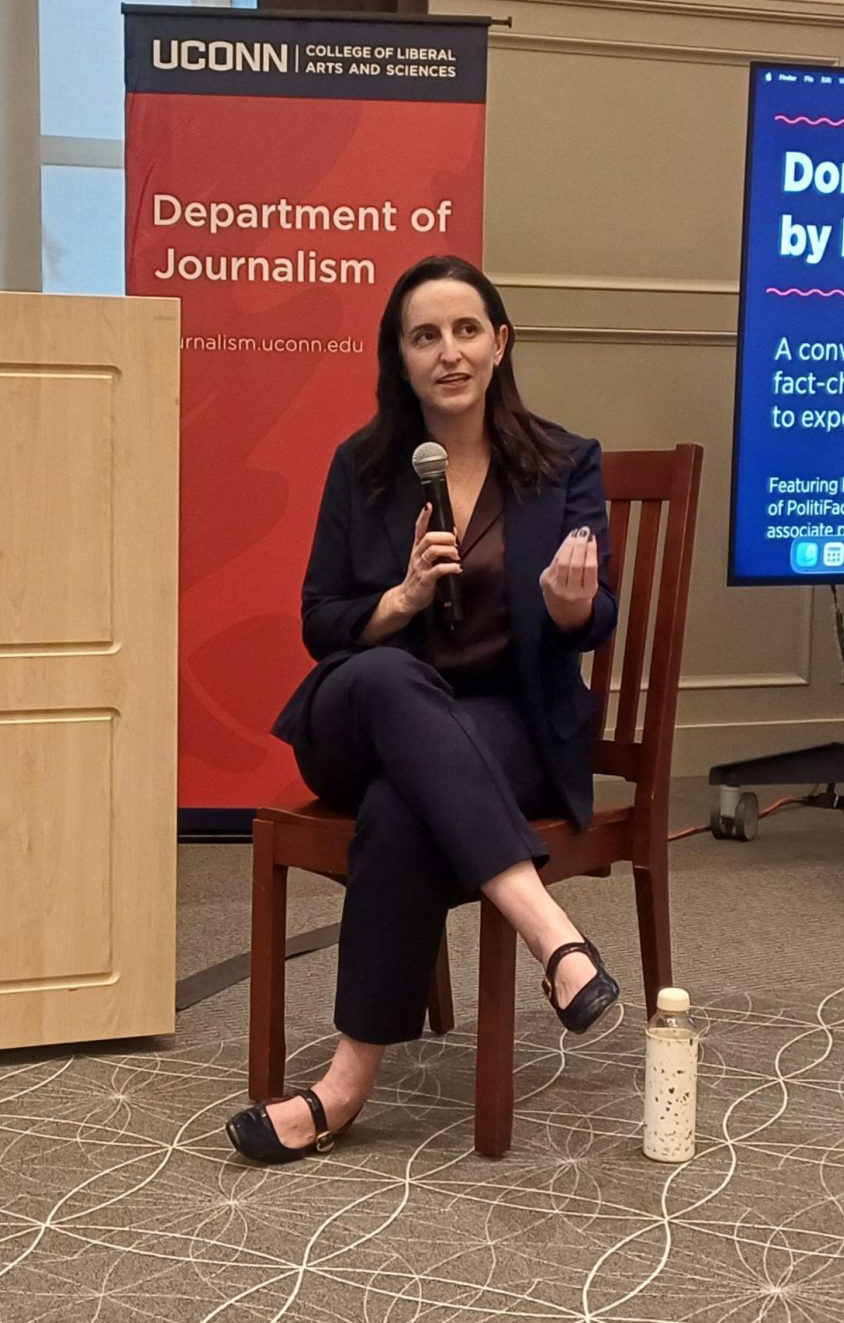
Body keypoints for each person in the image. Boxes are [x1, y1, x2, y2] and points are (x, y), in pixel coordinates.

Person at [227, 254, 622, 1164]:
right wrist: (400, 600)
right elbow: (321, 622)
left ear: (500, 344)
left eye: (466, 330)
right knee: (385, 679)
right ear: (399, 359)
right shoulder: (362, 467)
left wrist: (571, 606)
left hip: (503, 724)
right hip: (361, 713)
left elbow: (593, 614)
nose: (448, 351)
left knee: (406, 806)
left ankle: (344, 1085)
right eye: (425, 336)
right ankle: (550, 931)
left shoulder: (565, 463)